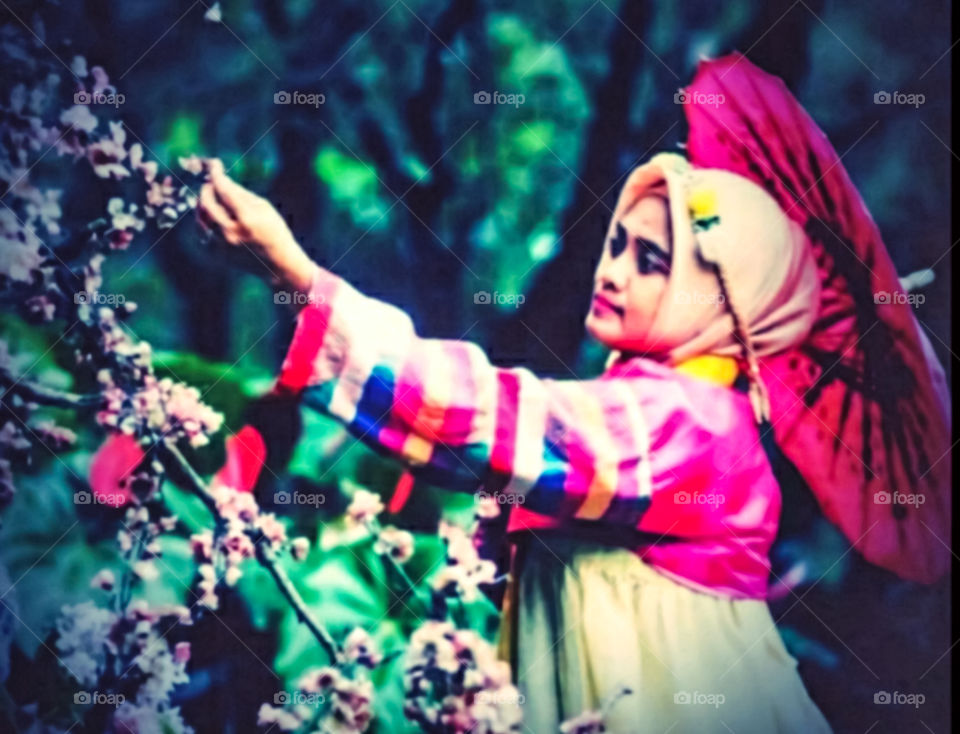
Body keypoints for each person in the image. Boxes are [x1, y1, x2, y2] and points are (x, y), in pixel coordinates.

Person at [197, 54, 950, 733]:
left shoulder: (689, 421)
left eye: (654, 261)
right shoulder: (660, 404)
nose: (613, 271)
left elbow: (488, 422)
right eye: (617, 243)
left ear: (732, 306)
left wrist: (299, 278)